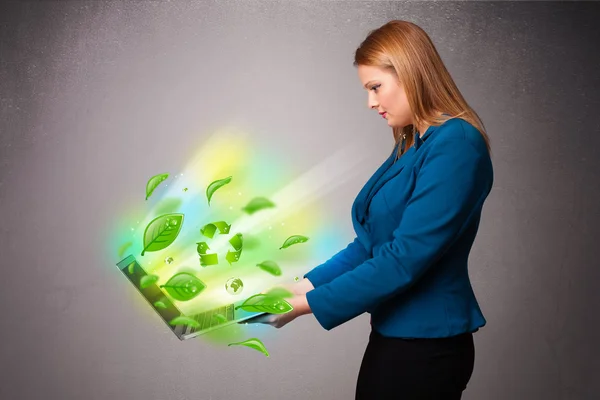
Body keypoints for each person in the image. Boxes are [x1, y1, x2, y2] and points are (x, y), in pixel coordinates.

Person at [250, 20, 493, 399]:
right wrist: (296, 287)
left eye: (376, 87)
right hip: (394, 339)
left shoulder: (457, 144)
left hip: (427, 348)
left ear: (410, 73)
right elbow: (369, 245)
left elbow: (403, 259)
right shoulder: (412, 146)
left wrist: (301, 306)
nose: (371, 102)